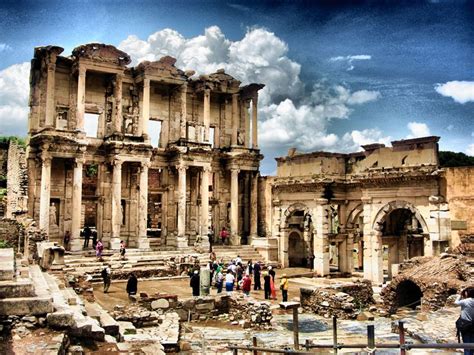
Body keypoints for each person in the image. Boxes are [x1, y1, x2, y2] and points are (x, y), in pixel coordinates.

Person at [455, 287, 474, 354]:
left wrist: (460, 295)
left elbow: (456, 302)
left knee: (466, 345)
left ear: (468, 293)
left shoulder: (465, 301)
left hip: (465, 325)